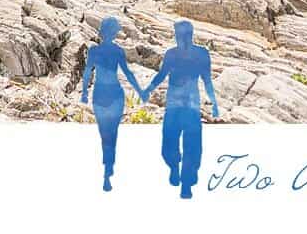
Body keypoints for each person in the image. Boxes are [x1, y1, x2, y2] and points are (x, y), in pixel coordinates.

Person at [140, 20, 219, 200]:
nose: (179, 38)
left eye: (181, 35)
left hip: (190, 107)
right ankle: (175, 167)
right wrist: (148, 89)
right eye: (177, 35)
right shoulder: (171, 54)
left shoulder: (201, 54)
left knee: (192, 147)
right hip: (174, 106)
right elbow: (161, 75)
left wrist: (214, 103)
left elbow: (207, 80)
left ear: (190, 35)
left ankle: (186, 183)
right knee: (168, 146)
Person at [80, 16, 147, 191]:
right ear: (113, 32)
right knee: (112, 133)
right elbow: (128, 73)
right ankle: (108, 167)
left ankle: (107, 167)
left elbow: (88, 73)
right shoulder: (117, 51)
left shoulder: (95, 51)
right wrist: (140, 91)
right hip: (114, 93)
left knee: (105, 133)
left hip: (101, 93)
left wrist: (84, 92)